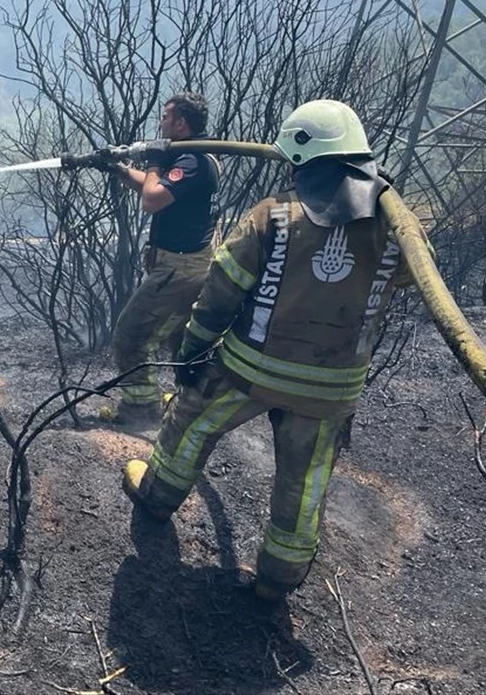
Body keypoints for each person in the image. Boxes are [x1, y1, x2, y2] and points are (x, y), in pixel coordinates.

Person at [121, 99, 426, 600]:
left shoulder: (275, 216)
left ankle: (157, 496)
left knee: (191, 423)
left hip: (251, 369)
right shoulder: (396, 226)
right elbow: (417, 274)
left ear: (300, 159)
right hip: (332, 387)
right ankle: (277, 578)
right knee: (304, 483)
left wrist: (194, 349)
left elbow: (223, 287)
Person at [104, 91, 221, 424]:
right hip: (185, 265)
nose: (162, 122)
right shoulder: (193, 158)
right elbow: (158, 187)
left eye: (166, 117)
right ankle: (188, 410)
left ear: (181, 123)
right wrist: (120, 170)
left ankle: (141, 410)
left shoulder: (193, 162)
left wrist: (154, 161)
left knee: (132, 336)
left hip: (179, 268)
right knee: (181, 341)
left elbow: (152, 199)